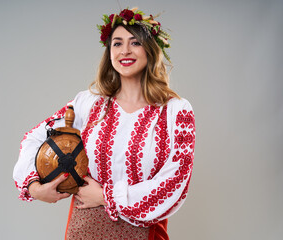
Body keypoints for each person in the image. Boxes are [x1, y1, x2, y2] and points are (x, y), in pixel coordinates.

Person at [13, 7, 196, 240]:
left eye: (135, 43)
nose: (125, 51)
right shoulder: (88, 104)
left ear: (150, 50)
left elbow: (175, 180)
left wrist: (106, 196)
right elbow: (35, 138)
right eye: (117, 43)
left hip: (143, 232)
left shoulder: (175, 111)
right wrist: (35, 187)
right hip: (84, 229)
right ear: (109, 52)